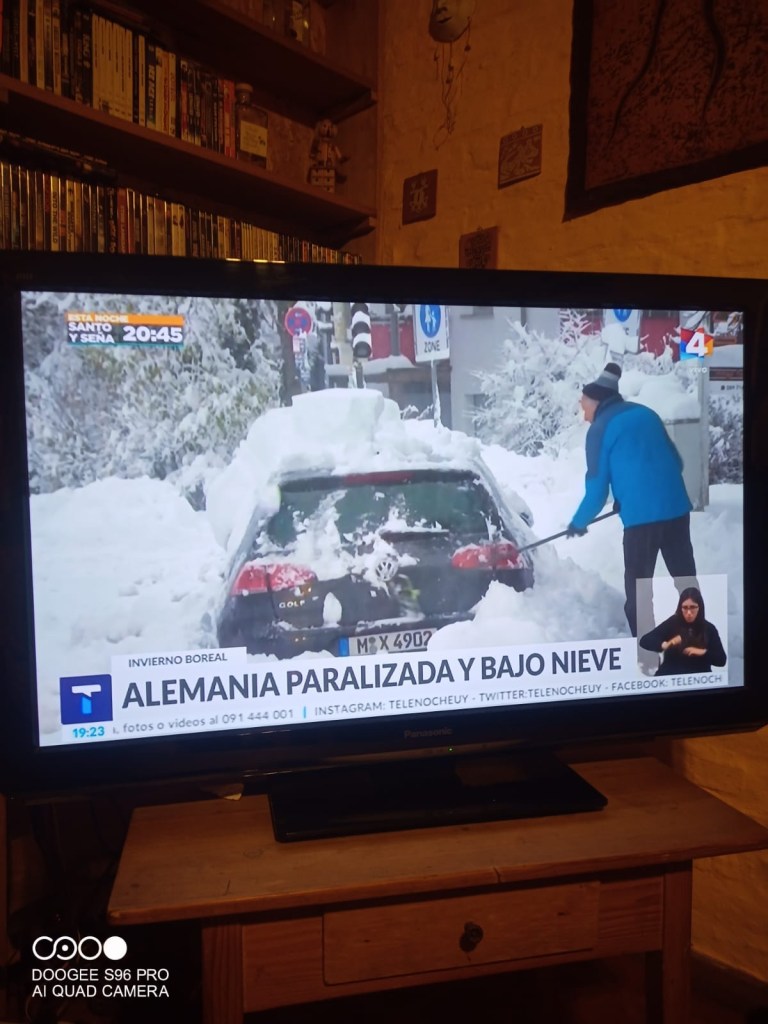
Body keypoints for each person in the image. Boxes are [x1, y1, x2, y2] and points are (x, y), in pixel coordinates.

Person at [566, 362, 696, 635]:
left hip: (641, 521)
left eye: (583, 405)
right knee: (686, 581)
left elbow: (597, 491)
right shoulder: (646, 414)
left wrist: (579, 522)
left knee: (640, 591)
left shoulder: (599, 430)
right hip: (676, 510)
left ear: (596, 401)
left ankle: (647, 653)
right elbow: (677, 463)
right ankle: (698, 643)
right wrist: (633, 491)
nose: (583, 414)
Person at [639, 587, 726, 675]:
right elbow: (645, 640)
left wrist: (702, 652)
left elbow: (721, 660)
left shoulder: (709, 628)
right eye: (685, 608)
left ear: (699, 607)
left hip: (699, 677)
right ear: (680, 608)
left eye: (692, 607)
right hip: (671, 676)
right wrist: (665, 644)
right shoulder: (672, 623)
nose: (689, 612)